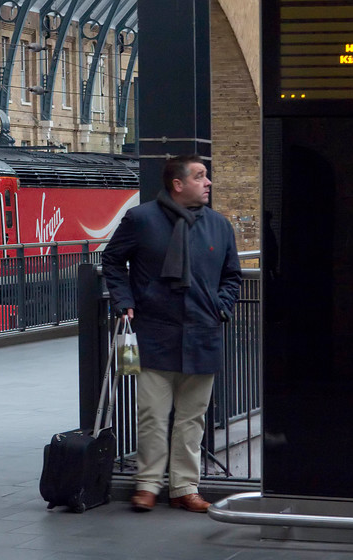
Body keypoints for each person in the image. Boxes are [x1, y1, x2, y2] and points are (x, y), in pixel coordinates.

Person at [101, 155, 241, 514]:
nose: (208, 182)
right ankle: (147, 484)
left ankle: (184, 487)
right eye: (199, 176)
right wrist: (124, 299)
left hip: (203, 332)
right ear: (177, 184)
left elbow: (232, 275)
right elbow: (113, 260)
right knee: (151, 414)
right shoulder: (141, 219)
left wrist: (222, 307)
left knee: (192, 418)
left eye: (207, 176)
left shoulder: (219, 226)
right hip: (154, 332)